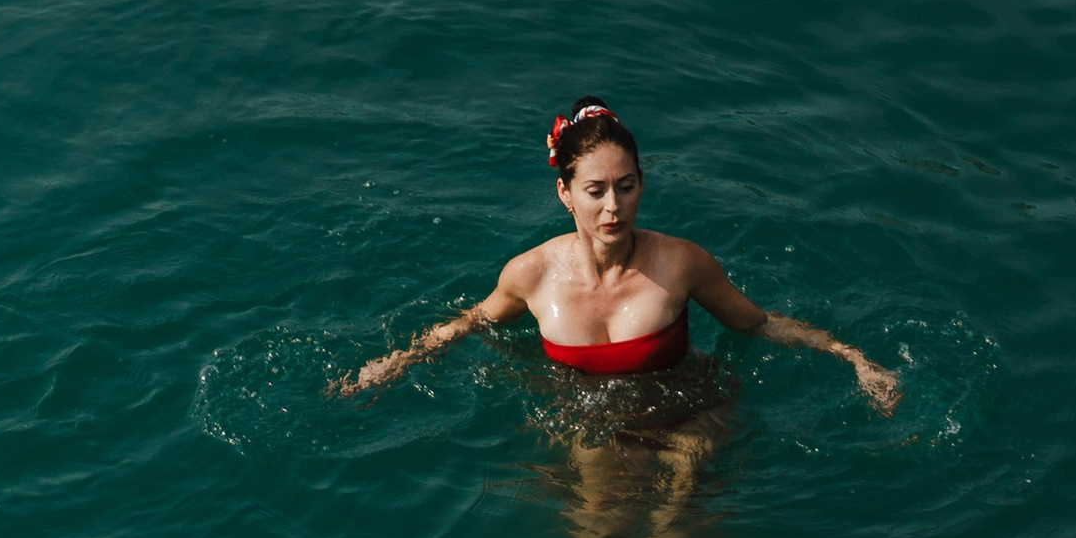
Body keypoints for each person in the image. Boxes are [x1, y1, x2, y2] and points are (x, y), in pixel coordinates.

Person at [332, 98, 900, 412]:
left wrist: (855, 359)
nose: (613, 208)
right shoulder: (531, 274)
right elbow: (475, 319)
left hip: (691, 413)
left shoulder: (681, 263)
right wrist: (398, 362)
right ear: (566, 194)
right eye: (596, 191)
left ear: (642, 184)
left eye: (626, 187)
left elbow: (757, 323)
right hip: (588, 423)